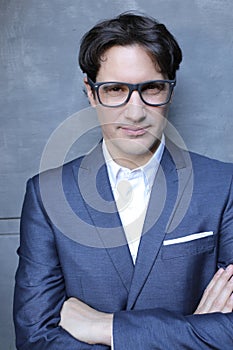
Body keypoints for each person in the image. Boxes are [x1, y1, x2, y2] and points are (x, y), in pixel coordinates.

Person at [13, 12, 233, 350]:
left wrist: (107, 328)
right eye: (115, 89)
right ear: (90, 91)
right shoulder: (46, 195)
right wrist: (194, 333)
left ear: (169, 90)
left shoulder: (224, 185)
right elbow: (36, 337)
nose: (134, 112)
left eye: (152, 88)